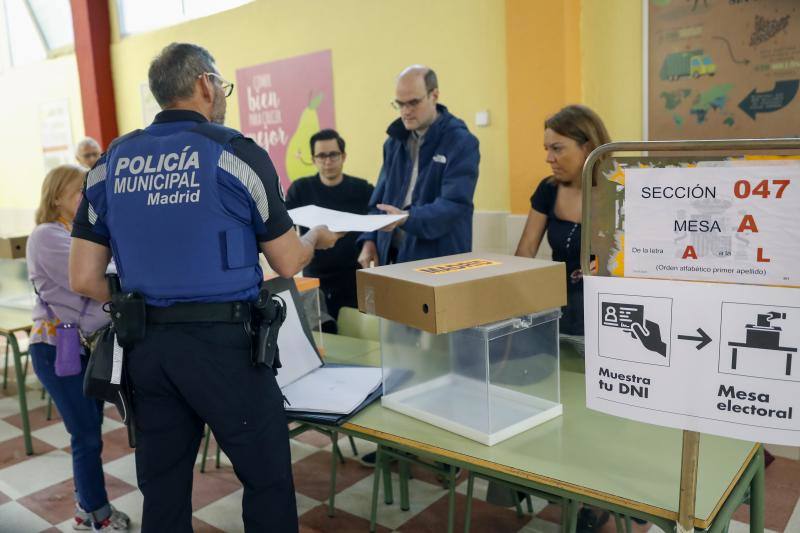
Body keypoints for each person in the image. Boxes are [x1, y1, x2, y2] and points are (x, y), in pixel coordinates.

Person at [69, 42, 341, 533]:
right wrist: (316, 239)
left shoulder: (109, 164)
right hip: (227, 352)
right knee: (267, 482)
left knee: (165, 490)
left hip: (147, 351)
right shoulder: (235, 153)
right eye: (222, 86)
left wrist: (144, 300)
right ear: (205, 84)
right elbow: (284, 259)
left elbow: (83, 278)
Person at [26, 164, 131, 532]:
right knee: (85, 434)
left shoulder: (74, 231)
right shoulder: (46, 235)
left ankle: (89, 505)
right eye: (78, 193)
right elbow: (95, 275)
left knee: (90, 430)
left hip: (82, 347)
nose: (87, 199)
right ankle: (92, 512)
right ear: (56, 197)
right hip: (57, 349)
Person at [357, 65, 480, 268]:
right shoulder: (394, 143)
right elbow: (378, 202)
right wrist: (369, 239)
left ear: (434, 95)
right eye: (400, 104)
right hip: (394, 256)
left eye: (413, 102)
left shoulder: (461, 142)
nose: (405, 111)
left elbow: (454, 205)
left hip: (440, 260)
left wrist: (407, 218)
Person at [514, 104, 610, 346]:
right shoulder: (548, 190)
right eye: (547, 149)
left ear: (587, 147)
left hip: (604, 314)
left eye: (557, 149)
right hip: (558, 311)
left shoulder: (617, 191)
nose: (549, 158)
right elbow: (525, 251)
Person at [285, 129, 374, 332]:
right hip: (314, 281)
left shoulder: (362, 189)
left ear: (343, 156)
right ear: (313, 159)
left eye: (333, 154)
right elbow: (285, 227)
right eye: (321, 156)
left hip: (354, 280)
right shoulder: (300, 190)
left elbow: (376, 220)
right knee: (322, 338)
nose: (328, 161)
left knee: (356, 338)